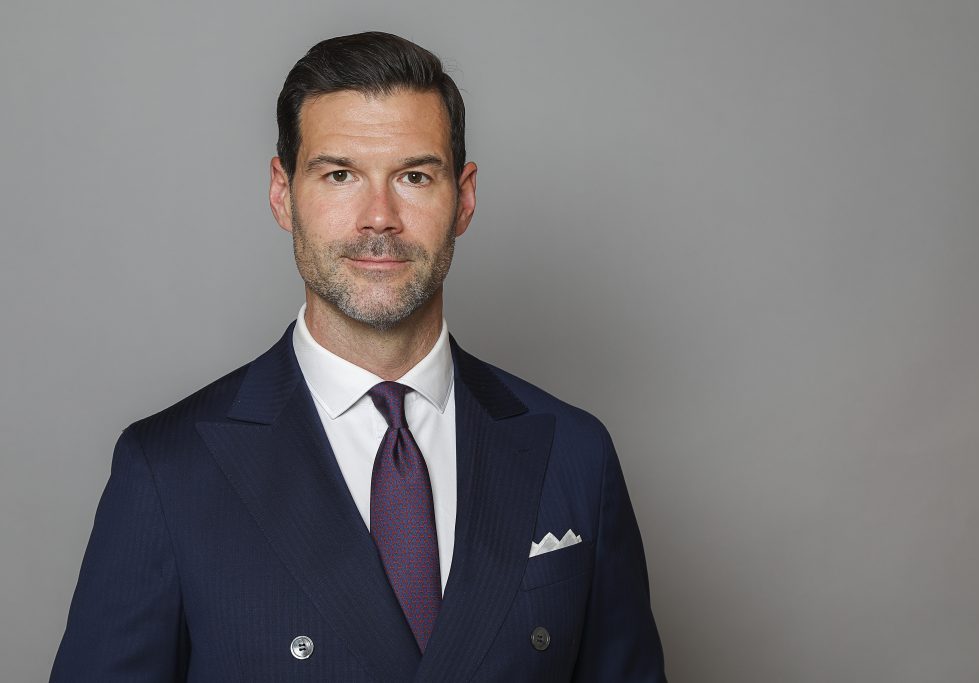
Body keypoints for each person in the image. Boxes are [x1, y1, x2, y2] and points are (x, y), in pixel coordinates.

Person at [51, 31, 665, 682]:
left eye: (414, 176)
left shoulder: (574, 455)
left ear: (464, 198)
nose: (379, 218)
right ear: (283, 193)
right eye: (340, 175)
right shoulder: (168, 469)